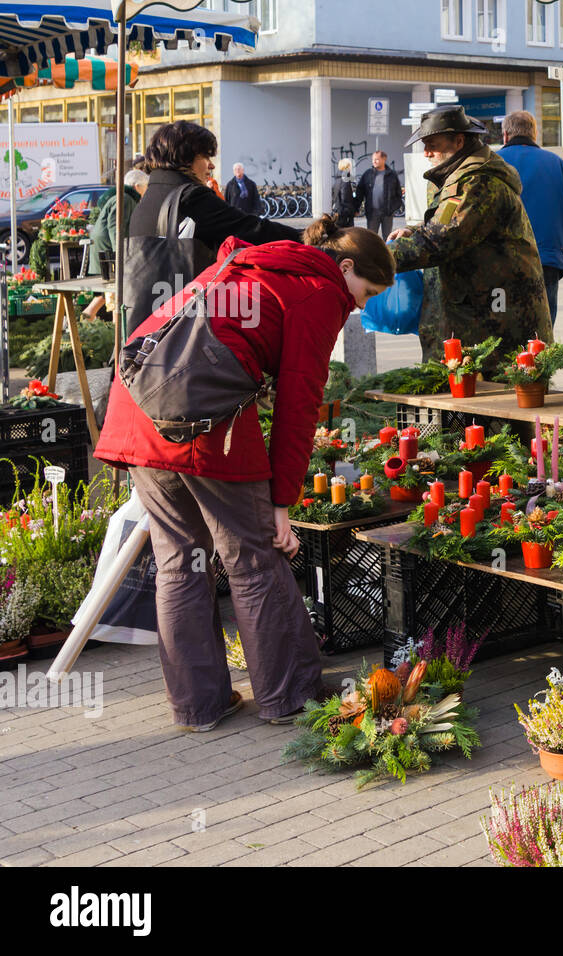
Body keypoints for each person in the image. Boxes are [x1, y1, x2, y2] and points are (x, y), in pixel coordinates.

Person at [94, 216, 395, 732]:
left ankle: (198, 705)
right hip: (202, 420)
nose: (361, 306)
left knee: (179, 561)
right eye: (365, 293)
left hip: (137, 407)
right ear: (344, 267)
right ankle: (290, 695)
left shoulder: (247, 264)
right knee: (253, 558)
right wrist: (282, 503)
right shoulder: (317, 292)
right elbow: (301, 406)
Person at [389, 105, 550, 371]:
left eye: (433, 145)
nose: (427, 153)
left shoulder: (477, 183)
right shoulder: (458, 177)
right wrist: (416, 231)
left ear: (459, 141)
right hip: (478, 315)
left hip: (494, 321)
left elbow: (440, 241)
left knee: (489, 402)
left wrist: (373, 256)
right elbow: (448, 224)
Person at [131, 121, 300, 287]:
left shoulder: (147, 198)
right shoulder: (190, 197)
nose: (211, 165)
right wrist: (307, 237)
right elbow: (252, 229)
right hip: (189, 307)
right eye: (205, 156)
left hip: (149, 306)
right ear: (185, 157)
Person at [498, 110, 563, 326]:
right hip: (546, 261)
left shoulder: (493, 163)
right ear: (535, 134)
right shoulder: (558, 165)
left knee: (502, 331)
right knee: (541, 331)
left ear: (505, 135)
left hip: (500, 262)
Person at [87, 167, 148, 277]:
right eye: (146, 187)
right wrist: (120, 257)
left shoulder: (122, 197)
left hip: (104, 249)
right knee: (108, 290)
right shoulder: (125, 198)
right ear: (137, 186)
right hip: (107, 253)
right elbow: (116, 227)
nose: (146, 192)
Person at [355, 150, 403, 236]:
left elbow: (398, 193)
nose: (374, 161)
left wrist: (393, 208)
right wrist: (356, 208)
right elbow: (360, 192)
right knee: (371, 237)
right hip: (372, 213)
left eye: (376, 159)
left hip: (387, 213)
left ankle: (386, 249)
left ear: (384, 159)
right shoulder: (368, 174)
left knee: (388, 237)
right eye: (373, 159)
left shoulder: (392, 175)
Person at [333, 157, 357, 227]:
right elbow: (346, 197)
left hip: (338, 209)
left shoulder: (337, 179)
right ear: (347, 167)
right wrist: (351, 211)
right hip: (345, 213)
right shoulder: (346, 179)